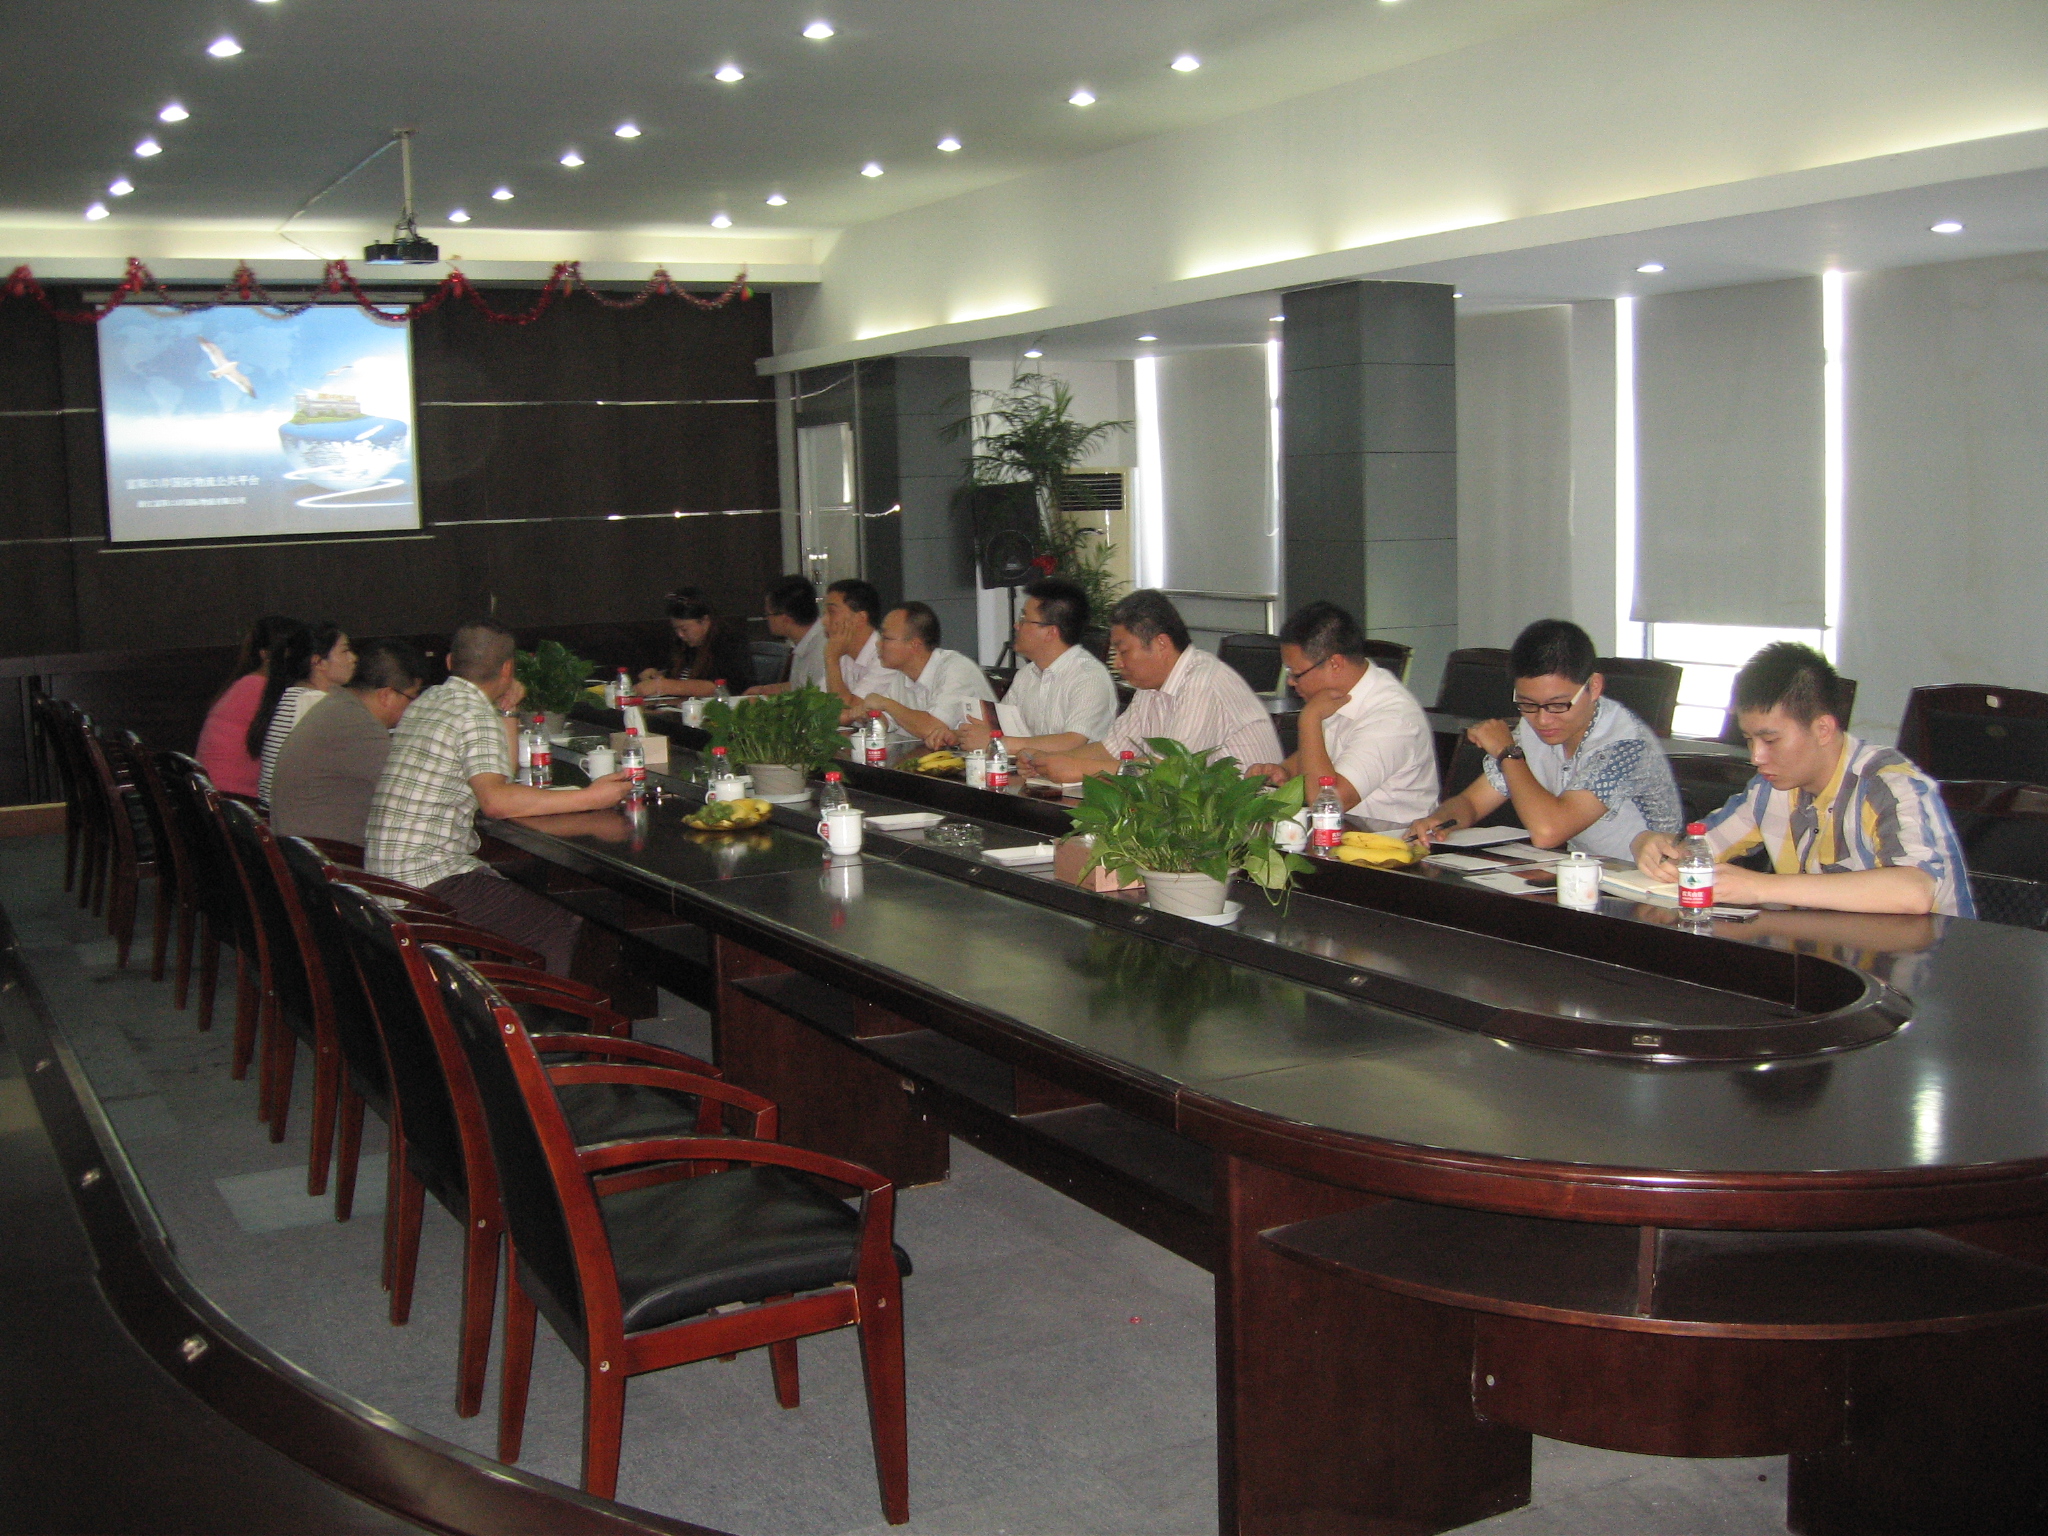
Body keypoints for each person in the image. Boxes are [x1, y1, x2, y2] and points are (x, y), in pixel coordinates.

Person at [365, 618, 631, 975]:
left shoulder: (430, 699)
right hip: (425, 881)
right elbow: (496, 802)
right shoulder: (473, 713)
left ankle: (497, 992)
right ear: (508, 669)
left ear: (450, 662)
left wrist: (507, 710)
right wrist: (591, 797)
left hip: (387, 877)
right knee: (560, 922)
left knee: (520, 896)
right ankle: (538, 1009)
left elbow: (499, 773)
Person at [1635, 642, 1973, 917]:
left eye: (1771, 740)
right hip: (1829, 955)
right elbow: (1697, 852)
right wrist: (1651, 846)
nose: (1756, 757)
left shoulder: (1890, 784)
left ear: (1822, 728)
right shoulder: (1768, 790)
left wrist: (1761, 887)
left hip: (1923, 969)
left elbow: (1915, 890)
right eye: (1749, 740)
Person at [1408, 618, 1681, 859]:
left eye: (1558, 704)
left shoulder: (1625, 744)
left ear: (1594, 686)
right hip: (1588, 873)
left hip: (1650, 881)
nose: (1542, 720)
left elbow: (1548, 832)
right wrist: (1440, 820)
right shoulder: (1534, 727)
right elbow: (1472, 803)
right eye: (1527, 704)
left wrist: (1507, 752)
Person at [1012, 589, 1281, 782]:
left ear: (1161, 644)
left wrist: (1079, 768)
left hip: (1245, 825)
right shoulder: (1150, 688)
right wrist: (1049, 760)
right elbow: (1112, 748)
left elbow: (1173, 770)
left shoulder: (1204, 681)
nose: (1117, 663)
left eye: (1123, 651)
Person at [1244, 601, 1438, 823]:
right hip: (1346, 834)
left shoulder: (1392, 718)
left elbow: (1328, 802)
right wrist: (1284, 772)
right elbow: (1321, 753)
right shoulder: (1337, 695)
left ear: (1335, 664)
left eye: (1296, 673)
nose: (1290, 682)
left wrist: (1309, 720)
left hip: (1392, 839)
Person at [269, 637, 428, 852]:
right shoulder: (359, 727)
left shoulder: (338, 707)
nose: (414, 707)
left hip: (305, 854)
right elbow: (416, 794)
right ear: (387, 695)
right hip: (333, 860)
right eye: (412, 697)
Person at [951, 578, 1118, 752]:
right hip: (1027, 767)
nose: (1017, 625)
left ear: (1050, 632)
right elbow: (1004, 729)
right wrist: (964, 734)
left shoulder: (1089, 677)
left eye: (1024, 619)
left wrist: (997, 743)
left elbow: (1073, 742)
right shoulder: (1026, 675)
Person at [859, 602, 998, 747]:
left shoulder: (956, 668)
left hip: (984, 758)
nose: (878, 644)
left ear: (915, 645)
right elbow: (889, 720)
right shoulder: (902, 675)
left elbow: (933, 729)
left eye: (886, 638)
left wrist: (885, 704)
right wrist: (870, 716)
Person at [252, 621, 356, 804]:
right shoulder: (315, 703)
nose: (353, 658)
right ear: (318, 662)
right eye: (345, 651)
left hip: (275, 811)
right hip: (294, 813)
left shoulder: (292, 696)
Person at [195, 613, 298, 796]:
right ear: (265, 655)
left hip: (212, 796)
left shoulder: (245, 683)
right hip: (234, 800)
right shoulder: (259, 689)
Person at [636, 589, 755, 698]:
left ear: (704, 621)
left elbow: (719, 687)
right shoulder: (684, 645)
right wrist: (655, 675)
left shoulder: (730, 642)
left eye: (684, 629)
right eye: (676, 629)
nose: (680, 635)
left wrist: (665, 686)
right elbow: (670, 672)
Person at [747, 576, 828, 695]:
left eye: (768, 614)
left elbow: (819, 696)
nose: (767, 619)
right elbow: (800, 685)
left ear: (785, 619)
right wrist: (765, 690)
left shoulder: (823, 650)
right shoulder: (807, 641)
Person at [821, 578, 888, 714]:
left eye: (832, 612)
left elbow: (847, 711)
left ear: (860, 618)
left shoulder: (885, 656)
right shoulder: (843, 653)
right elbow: (819, 700)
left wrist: (831, 659)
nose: (823, 621)